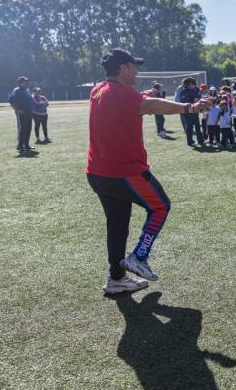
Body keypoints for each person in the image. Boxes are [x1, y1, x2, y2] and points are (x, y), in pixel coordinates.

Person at [86, 48, 210, 295]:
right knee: (160, 206)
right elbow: (151, 106)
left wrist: (144, 94)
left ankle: (116, 278)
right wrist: (190, 107)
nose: (137, 70)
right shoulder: (125, 94)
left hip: (97, 173)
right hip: (124, 172)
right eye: (134, 66)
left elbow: (131, 101)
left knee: (117, 224)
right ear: (123, 69)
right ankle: (139, 258)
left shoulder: (98, 89)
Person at [175, 77, 205, 148]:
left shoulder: (182, 91)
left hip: (186, 111)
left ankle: (190, 142)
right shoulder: (191, 91)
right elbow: (196, 101)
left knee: (189, 127)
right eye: (194, 84)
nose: (195, 85)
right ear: (190, 84)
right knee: (196, 126)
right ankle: (200, 141)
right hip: (192, 111)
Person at [8, 76, 34, 153]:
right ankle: (20, 146)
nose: (27, 83)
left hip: (29, 112)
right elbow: (11, 101)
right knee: (22, 129)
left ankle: (26, 145)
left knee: (28, 128)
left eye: (27, 81)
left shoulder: (27, 90)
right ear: (20, 83)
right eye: (25, 81)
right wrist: (18, 110)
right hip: (22, 113)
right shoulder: (16, 90)